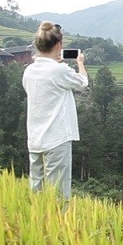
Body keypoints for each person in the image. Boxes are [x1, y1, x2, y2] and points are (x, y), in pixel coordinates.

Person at [22, 21, 88, 200]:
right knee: (58, 195)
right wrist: (80, 63)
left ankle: (37, 225)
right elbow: (82, 82)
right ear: (59, 45)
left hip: (35, 138)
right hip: (57, 138)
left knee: (37, 192)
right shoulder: (59, 70)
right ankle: (58, 226)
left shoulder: (29, 71)